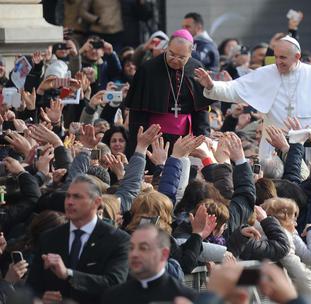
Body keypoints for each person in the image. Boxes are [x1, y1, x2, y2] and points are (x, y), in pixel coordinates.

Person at [195, 36, 311, 159]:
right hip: (273, 147)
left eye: (282, 57)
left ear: (297, 57)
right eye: (275, 57)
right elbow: (234, 89)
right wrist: (211, 85)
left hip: (308, 145)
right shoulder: (265, 74)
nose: (277, 62)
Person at [27, 174, 131, 303]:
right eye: (68, 196)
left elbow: (114, 283)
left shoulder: (118, 240)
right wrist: (40, 297)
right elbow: (32, 286)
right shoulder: (49, 237)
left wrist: (69, 274)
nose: (69, 202)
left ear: (97, 202)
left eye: (77, 197)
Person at [124, 29, 214, 156]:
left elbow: (201, 108)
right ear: (167, 47)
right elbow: (137, 110)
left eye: (181, 57)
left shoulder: (196, 69)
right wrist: (138, 142)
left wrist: (203, 135)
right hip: (154, 138)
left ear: (190, 54)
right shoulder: (148, 69)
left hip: (185, 137)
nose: (175, 60)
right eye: (171, 54)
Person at [101, 225, 196, 303]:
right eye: (131, 248)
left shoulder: (185, 297)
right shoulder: (113, 296)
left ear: (164, 254)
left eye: (143, 248)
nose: (134, 254)